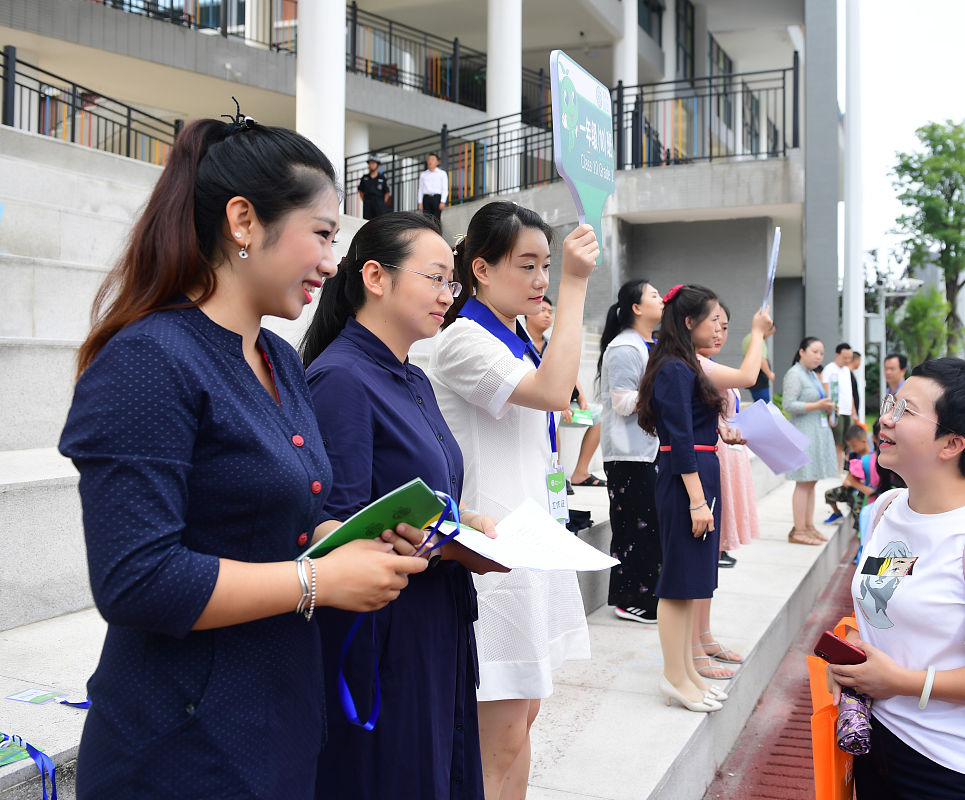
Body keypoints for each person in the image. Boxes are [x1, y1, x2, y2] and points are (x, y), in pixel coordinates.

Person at [58, 116, 429, 798]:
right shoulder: (149, 361)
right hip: (181, 749)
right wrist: (318, 581)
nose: (331, 263)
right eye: (322, 234)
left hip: (277, 720)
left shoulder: (280, 360)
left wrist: (348, 539)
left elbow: (277, 522)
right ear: (243, 221)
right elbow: (137, 579)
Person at [300, 213, 512, 799]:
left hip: (435, 616)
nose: (449, 296)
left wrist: (461, 522)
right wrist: (442, 545)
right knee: (398, 775)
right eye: (438, 278)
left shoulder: (412, 377)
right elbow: (335, 529)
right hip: (385, 631)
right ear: (375, 276)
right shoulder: (341, 378)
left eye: (452, 283)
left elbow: (424, 492)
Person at [428, 200, 598, 798]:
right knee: (495, 744)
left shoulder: (516, 335)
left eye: (548, 266)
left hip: (531, 546)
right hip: (493, 557)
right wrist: (577, 285)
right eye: (526, 265)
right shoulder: (463, 342)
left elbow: (566, 398)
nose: (540, 280)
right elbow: (555, 393)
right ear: (480, 268)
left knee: (522, 725)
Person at [830, 358, 965, 800]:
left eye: (905, 410)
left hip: (956, 768)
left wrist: (901, 681)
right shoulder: (888, 508)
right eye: (891, 403)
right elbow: (887, 607)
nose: (884, 418)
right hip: (879, 738)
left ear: (952, 444)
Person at [635, 284, 772, 713]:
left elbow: (693, 430)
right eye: (715, 321)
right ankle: (675, 677)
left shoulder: (685, 366)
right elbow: (677, 441)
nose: (719, 330)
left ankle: (687, 674)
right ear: (689, 321)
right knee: (678, 584)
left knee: (692, 580)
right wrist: (696, 499)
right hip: (686, 479)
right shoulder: (675, 368)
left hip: (700, 472)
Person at [693, 301, 759, 679]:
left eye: (725, 325)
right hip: (705, 463)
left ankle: (704, 636)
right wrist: (760, 334)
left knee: (710, 559)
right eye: (713, 322)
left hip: (723, 459)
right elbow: (749, 376)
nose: (720, 331)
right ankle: (696, 645)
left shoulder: (704, 365)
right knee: (701, 560)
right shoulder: (696, 365)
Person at [598, 279, 665, 623]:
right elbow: (623, 402)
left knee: (649, 527)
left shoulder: (647, 344)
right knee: (634, 529)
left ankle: (648, 597)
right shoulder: (625, 348)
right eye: (654, 295)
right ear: (636, 308)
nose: (661, 298)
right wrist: (662, 394)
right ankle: (629, 600)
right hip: (628, 454)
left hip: (646, 450)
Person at [525, 297, 606, 490]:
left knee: (600, 415)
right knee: (551, 416)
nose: (547, 315)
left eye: (550, 312)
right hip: (538, 405)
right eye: (542, 310)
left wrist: (582, 397)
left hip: (565, 406)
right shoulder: (521, 342)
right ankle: (556, 476)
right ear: (527, 314)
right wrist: (557, 403)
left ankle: (581, 472)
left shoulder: (552, 344)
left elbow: (568, 372)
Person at [781, 337, 840, 545]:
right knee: (804, 482)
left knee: (811, 481)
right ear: (802, 352)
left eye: (821, 353)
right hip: (803, 433)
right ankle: (799, 530)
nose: (818, 356)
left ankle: (808, 526)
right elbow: (788, 405)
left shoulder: (812, 375)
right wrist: (817, 406)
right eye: (814, 351)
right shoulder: (794, 374)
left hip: (816, 432)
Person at [823, 425, 872, 524]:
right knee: (829, 494)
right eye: (850, 446)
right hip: (852, 487)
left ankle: (859, 531)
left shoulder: (871, 458)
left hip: (863, 491)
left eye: (854, 446)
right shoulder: (854, 455)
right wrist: (847, 480)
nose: (852, 449)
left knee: (857, 511)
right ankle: (837, 514)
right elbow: (851, 471)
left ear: (863, 441)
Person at [829, 342, 857, 466]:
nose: (847, 360)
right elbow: (827, 392)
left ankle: (840, 469)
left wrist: (854, 412)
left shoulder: (847, 371)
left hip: (847, 411)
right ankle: (837, 470)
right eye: (844, 357)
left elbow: (849, 392)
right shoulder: (829, 369)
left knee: (846, 442)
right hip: (837, 411)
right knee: (838, 443)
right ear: (837, 355)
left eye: (849, 358)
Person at [742, 328, 775, 404]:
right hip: (760, 378)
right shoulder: (758, 340)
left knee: (758, 403)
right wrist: (770, 374)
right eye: (770, 333)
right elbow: (761, 360)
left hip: (752, 376)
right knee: (764, 404)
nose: (769, 335)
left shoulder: (747, 338)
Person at [357, 154, 391, 220]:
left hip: (379, 203)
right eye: (370, 163)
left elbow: (387, 192)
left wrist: (382, 203)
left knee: (379, 222)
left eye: (373, 163)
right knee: (367, 222)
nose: (371, 165)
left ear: (377, 165)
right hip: (368, 203)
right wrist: (365, 201)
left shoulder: (382, 178)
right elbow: (361, 191)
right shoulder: (365, 178)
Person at [418, 152, 450, 221]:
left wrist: (443, 201)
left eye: (433, 159)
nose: (430, 161)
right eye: (429, 159)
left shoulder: (442, 173)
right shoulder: (423, 174)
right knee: (426, 219)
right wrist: (420, 202)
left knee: (436, 219)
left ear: (437, 162)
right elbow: (420, 189)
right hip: (426, 198)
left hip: (437, 198)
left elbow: (445, 188)